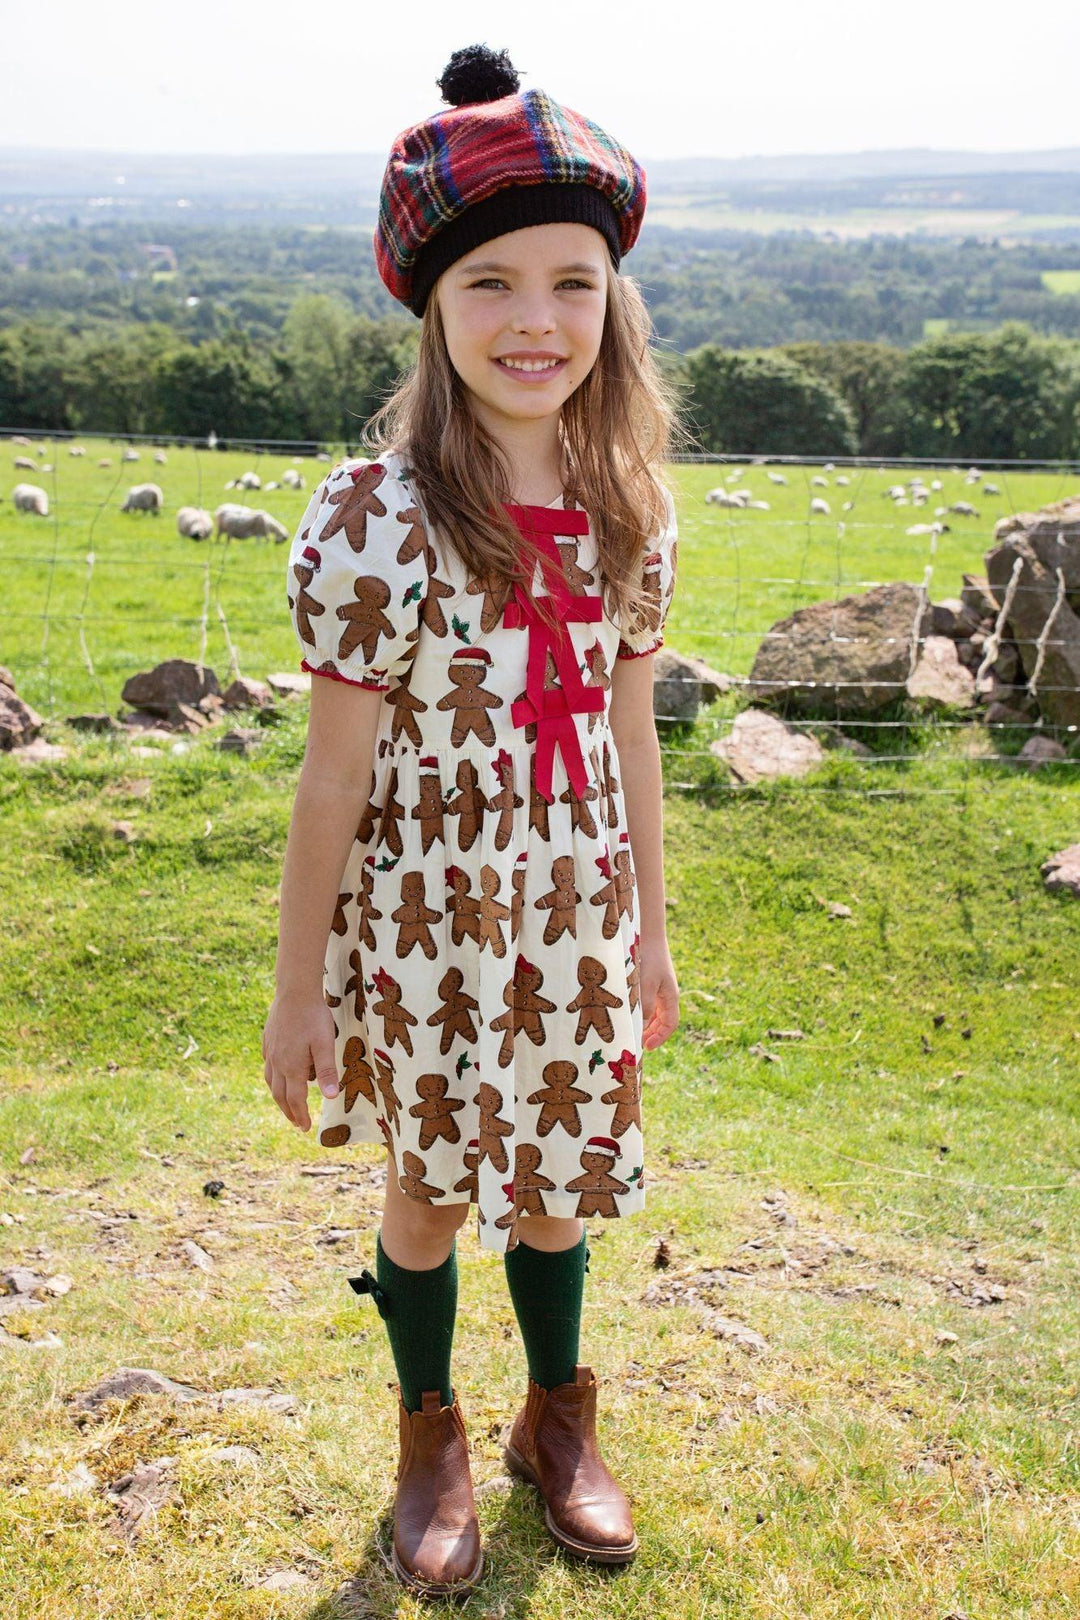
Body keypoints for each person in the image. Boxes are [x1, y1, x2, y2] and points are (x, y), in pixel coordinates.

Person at [263, 43, 684, 1599]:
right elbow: (331, 779)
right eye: (493, 282)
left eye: (574, 285)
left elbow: (633, 732)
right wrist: (300, 989)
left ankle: (555, 1421)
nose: (536, 321)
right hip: (435, 912)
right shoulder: (375, 521)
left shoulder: (632, 502)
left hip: (577, 909)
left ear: (611, 304)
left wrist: (652, 933)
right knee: (435, 1186)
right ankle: (427, 1426)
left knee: (566, 1181)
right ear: (434, 304)